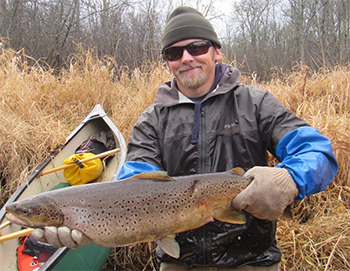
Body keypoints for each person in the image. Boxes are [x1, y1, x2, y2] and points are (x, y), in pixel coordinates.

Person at [33, 6, 338, 270]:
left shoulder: (256, 104)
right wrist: (92, 225)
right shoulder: (151, 121)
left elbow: (319, 153)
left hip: (253, 261)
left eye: (197, 46)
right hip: (178, 262)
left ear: (216, 50)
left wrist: (291, 179)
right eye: (174, 52)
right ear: (167, 61)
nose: (187, 58)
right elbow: (133, 186)